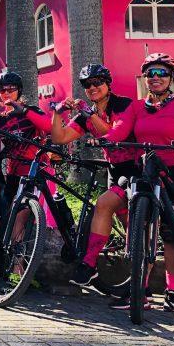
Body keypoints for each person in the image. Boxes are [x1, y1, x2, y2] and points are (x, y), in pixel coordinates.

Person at [98, 53, 174, 312]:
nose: (155, 78)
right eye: (150, 73)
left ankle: (173, 292)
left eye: (161, 73)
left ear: (171, 77)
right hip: (146, 174)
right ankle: (140, 291)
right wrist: (106, 138)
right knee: (141, 232)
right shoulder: (137, 107)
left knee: (172, 237)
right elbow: (120, 128)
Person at [49, 65, 142, 288]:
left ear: (108, 84)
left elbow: (114, 132)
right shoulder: (86, 115)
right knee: (128, 225)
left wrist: (88, 113)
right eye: (87, 85)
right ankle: (137, 284)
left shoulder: (123, 104)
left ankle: (89, 265)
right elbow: (60, 137)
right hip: (115, 171)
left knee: (105, 206)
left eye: (97, 82)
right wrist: (57, 112)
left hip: (137, 169)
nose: (92, 87)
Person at [0, 71, 57, 226]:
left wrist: (24, 111)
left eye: (11, 89)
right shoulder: (0, 117)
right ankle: (3, 247)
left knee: (21, 213)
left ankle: (15, 245)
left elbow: (49, 127)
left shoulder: (31, 110)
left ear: (19, 90)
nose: (6, 93)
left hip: (36, 170)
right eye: (2, 90)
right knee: (4, 213)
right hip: (13, 172)